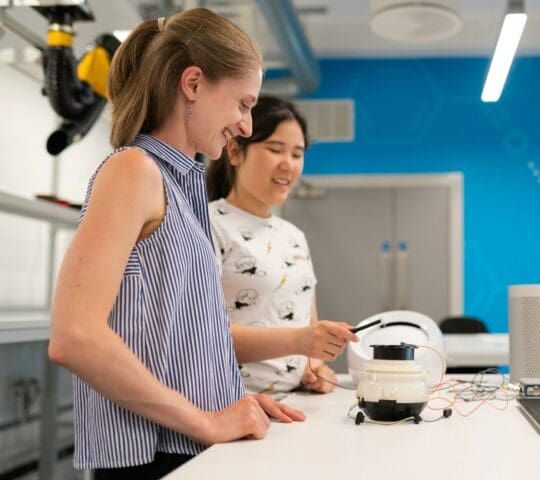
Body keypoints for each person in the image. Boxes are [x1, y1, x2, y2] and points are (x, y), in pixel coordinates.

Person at [48, 9, 335, 479]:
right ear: (194, 84)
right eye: (242, 104)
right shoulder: (133, 171)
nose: (245, 125)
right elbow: (74, 337)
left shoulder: (183, 187)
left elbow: (175, 335)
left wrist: (227, 397)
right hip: (151, 459)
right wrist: (205, 420)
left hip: (186, 449)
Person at [207, 95, 354, 395]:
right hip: (235, 404)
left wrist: (315, 367)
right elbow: (202, 336)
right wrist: (300, 340)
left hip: (296, 404)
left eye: (297, 154)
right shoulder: (209, 224)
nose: (288, 165)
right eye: (275, 150)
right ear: (235, 152)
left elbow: (306, 324)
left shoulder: (294, 235)